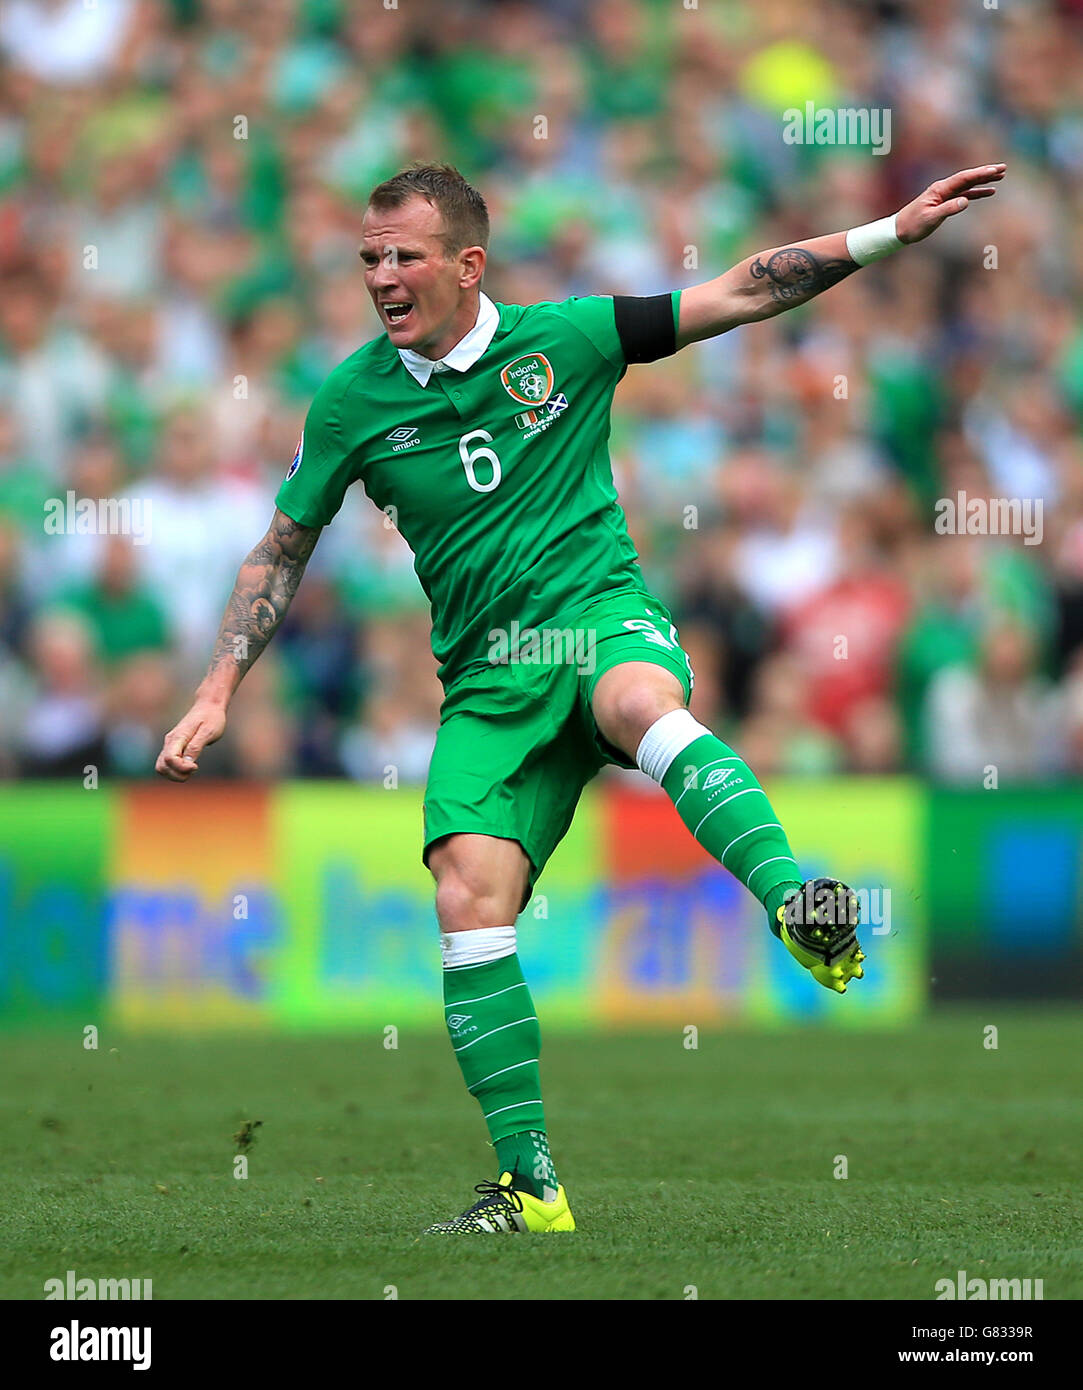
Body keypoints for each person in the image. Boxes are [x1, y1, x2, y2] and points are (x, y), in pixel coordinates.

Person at [156, 160, 1005, 1234]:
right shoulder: (349, 402)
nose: (380, 275)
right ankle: (532, 1184)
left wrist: (887, 232)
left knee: (642, 702)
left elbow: (742, 288)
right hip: (486, 680)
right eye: (368, 256)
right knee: (467, 898)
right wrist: (217, 685)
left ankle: (796, 902)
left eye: (403, 255)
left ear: (468, 265)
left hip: (595, 615)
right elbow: (281, 549)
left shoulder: (570, 338)